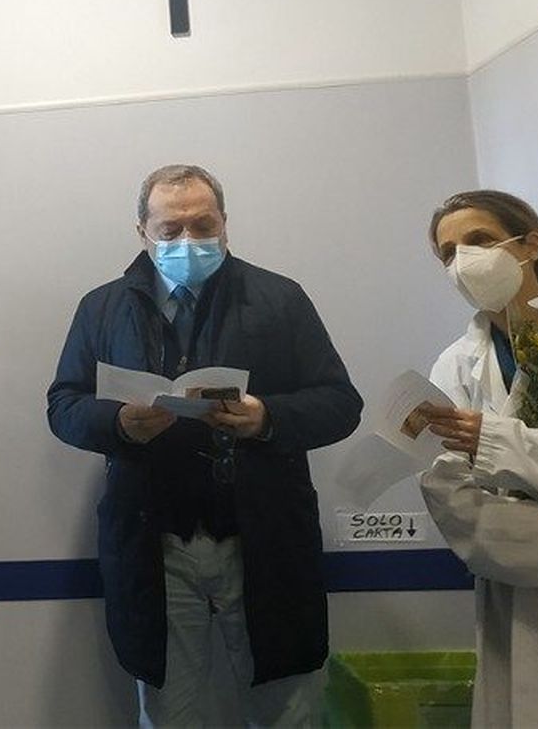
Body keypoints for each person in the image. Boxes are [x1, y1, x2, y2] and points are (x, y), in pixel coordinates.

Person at [46, 164, 362, 727]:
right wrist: (120, 425)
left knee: (288, 708)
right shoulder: (101, 307)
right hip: (154, 542)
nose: (187, 241)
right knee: (170, 714)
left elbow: (341, 404)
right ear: (141, 230)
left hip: (264, 538)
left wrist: (268, 416)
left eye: (202, 225)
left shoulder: (280, 298)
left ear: (225, 224)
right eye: (170, 230)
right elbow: (63, 407)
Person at [415, 189, 538, 727]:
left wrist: (495, 442)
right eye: (448, 254)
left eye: (479, 241)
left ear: (530, 244)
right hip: (515, 595)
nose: (463, 261)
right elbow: (451, 498)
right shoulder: (454, 366)